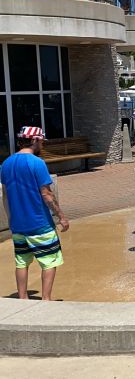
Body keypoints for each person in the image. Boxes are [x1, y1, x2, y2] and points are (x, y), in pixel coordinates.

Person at [1, 127, 70, 301]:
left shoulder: (6, 164)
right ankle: (46, 300)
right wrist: (61, 216)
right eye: (41, 141)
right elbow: (46, 194)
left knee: (22, 262)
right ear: (33, 141)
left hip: (18, 225)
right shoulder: (37, 163)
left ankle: (23, 299)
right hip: (40, 224)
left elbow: (6, 196)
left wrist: (11, 219)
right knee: (49, 261)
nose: (42, 144)